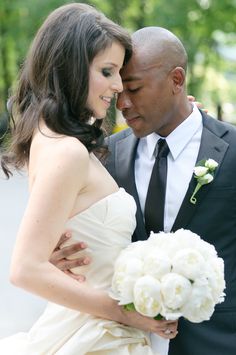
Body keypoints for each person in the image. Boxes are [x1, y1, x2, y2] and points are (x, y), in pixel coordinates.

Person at [0, 6, 178, 354]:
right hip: (95, 335)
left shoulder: (54, 138)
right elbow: (25, 269)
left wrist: (176, 111)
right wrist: (126, 314)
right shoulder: (66, 151)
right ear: (70, 69)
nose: (117, 86)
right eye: (107, 71)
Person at [54, 26, 236, 355]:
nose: (122, 103)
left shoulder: (232, 151)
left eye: (135, 89)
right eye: (119, 89)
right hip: (121, 342)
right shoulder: (105, 156)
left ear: (176, 80)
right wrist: (61, 258)